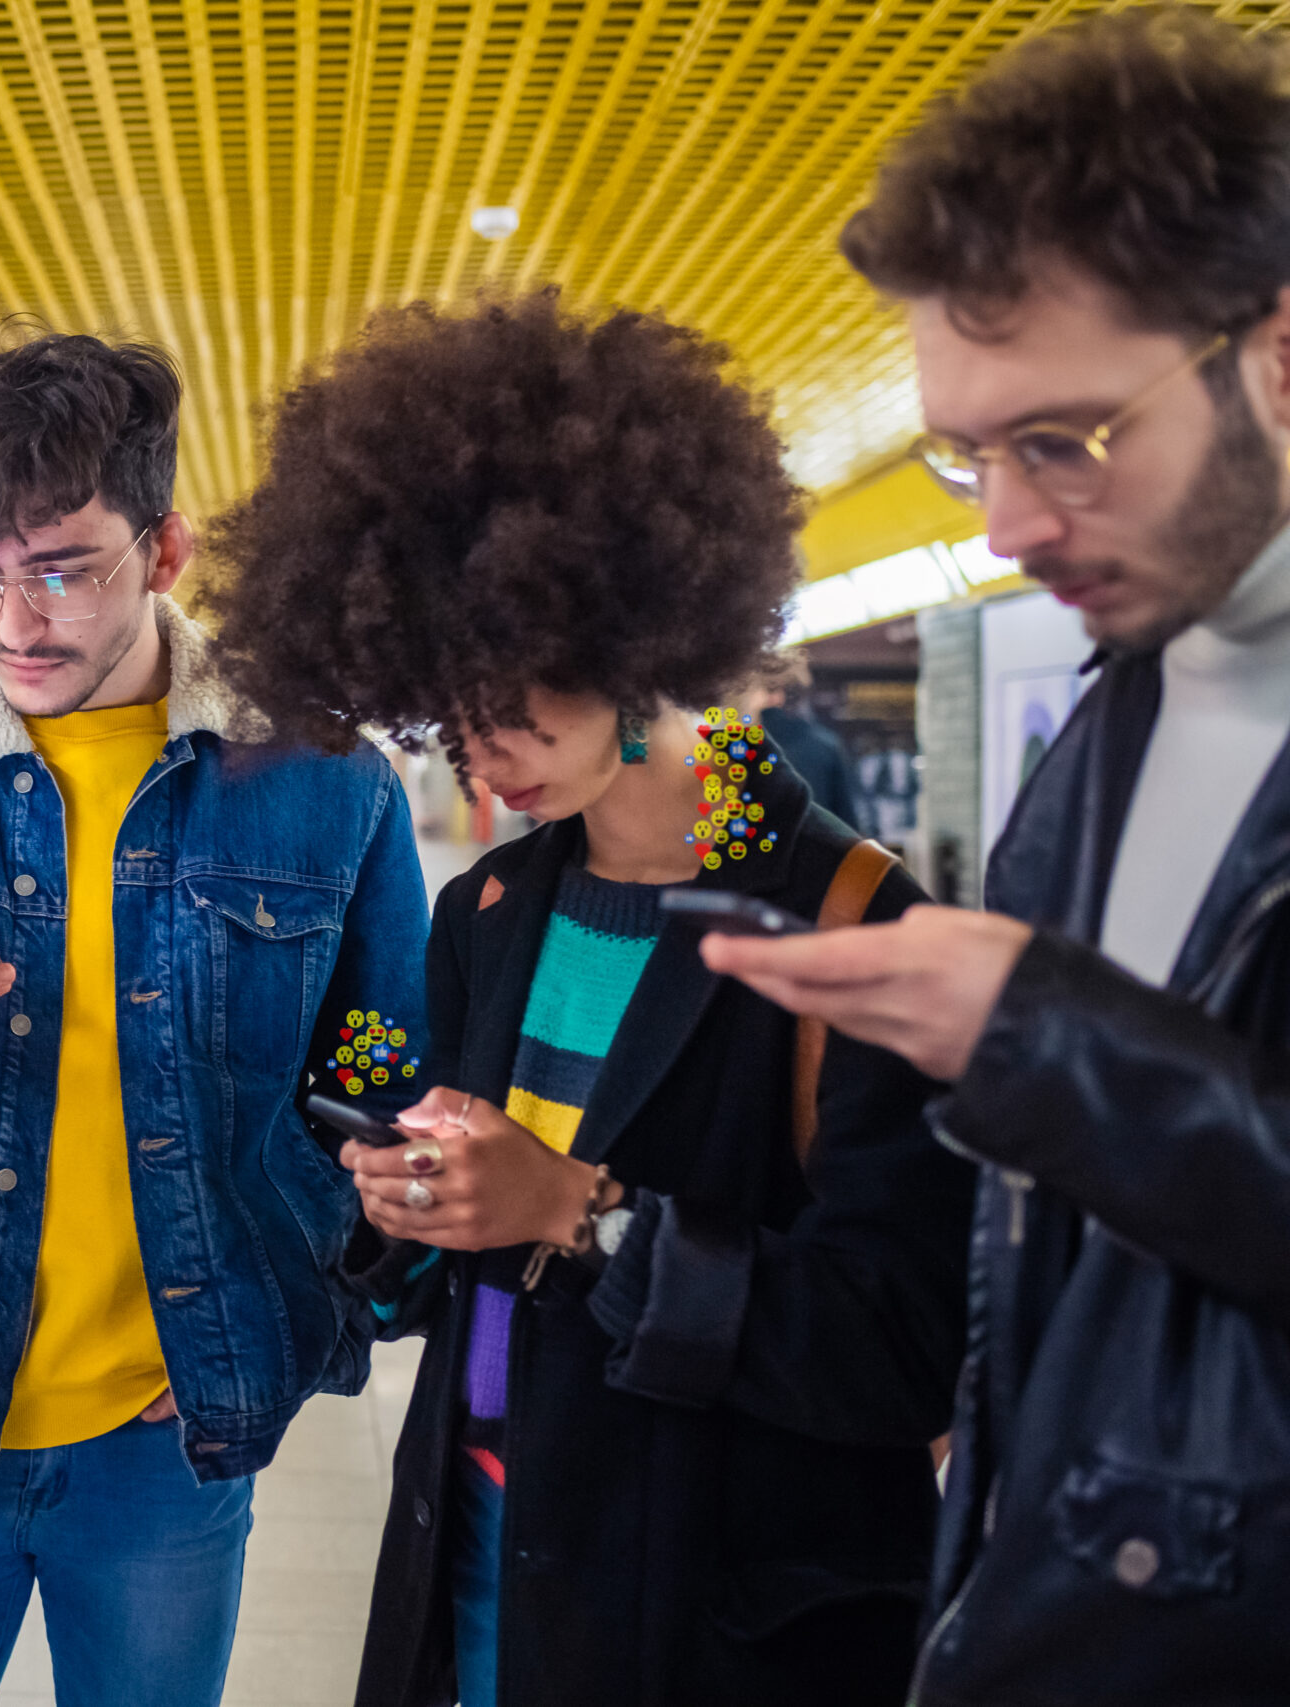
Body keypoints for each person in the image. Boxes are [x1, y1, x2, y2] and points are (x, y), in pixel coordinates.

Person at [203, 293, 975, 1707]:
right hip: (483, 1533)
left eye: (519, 702)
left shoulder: (855, 919)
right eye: (451, 715)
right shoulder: (488, 913)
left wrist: (579, 1212)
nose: (488, 763)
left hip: (716, 1599)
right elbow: (454, 1264)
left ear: (631, 631)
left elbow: (900, 1344)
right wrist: (414, 1208)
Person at [709, 12, 1290, 1701]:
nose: (1008, 528)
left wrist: (1039, 1035)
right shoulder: (1118, 716)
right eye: (973, 455)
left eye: (1068, 441)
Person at [0, 320, 431, 1707]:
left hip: (164, 1439)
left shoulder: (320, 786)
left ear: (163, 549)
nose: (13, 620)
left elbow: (382, 1072)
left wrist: (287, 1313)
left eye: (61, 567)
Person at [743, 652, 865, 833]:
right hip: (818, 857)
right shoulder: (827, 746)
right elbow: (847, 823)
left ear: (776, 695)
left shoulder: (739, 750)